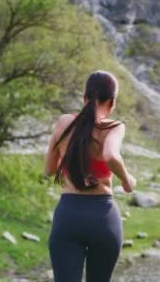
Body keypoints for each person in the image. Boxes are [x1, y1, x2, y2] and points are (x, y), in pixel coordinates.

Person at [45, 70, 137, 282]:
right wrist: (126, 180)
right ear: (112, 102)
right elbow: (111, 155)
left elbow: (49, 170)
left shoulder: (64, 123)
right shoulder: (114, 127)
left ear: (85, 98)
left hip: (68, 216)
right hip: (103, 217)